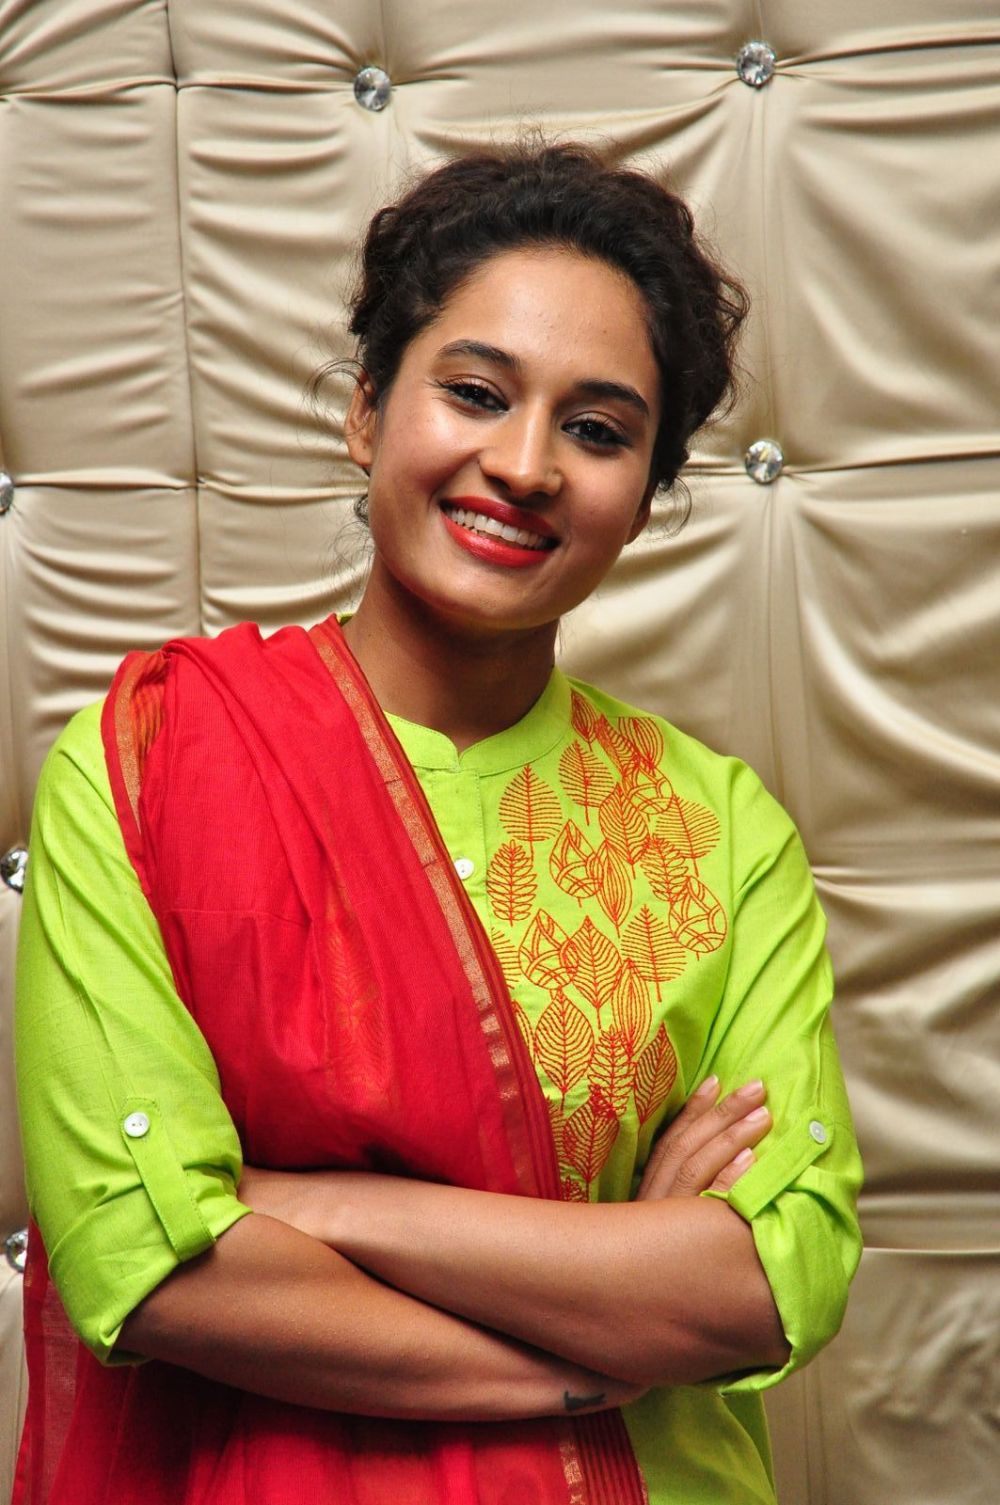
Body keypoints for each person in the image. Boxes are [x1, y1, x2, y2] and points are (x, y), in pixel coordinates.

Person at [14, 142, 862, 1505]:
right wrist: (606, 1337)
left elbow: (772, 1282)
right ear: (366, 411)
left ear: (645, 499)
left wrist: (310, 1203)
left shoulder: (721, 830)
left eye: (599, 431)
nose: (524, 465)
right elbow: (149, 1258)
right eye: (475, 393)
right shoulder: (150, 764)